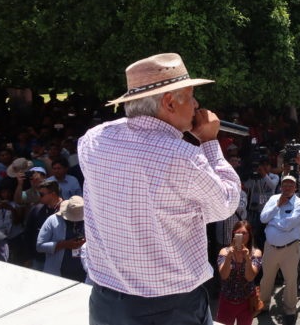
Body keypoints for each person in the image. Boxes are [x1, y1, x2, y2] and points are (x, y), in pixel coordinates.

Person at [79, 53, 241, 325]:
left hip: (105, 302)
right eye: (190, 96)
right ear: (169, 102)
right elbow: (225, 203)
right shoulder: (182, 156)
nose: (197, 104)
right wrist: (210, 142)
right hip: (170, 308)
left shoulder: (93, 140)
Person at [259, 174, 300, 325]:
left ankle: (290, 309)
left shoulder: (299, 204)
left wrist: (273, 223)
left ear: (295, 187)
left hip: (290, 249)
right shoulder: (273, 199)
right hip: (270, 247)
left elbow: (288, 225)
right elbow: (263, 218)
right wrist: (277, 205)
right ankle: (263, 304)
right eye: (285, 185)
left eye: (290, 185)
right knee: (266, 278)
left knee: (290, 280)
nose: (287, 187)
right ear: (280, 187)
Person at [216, 221, 263, 325]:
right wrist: (229, 256)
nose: (241, 236)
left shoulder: (256, 253)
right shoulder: (224, 251)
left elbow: (250, 277)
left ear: (250, 235)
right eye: (238, 233)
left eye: (244, 233)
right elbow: (224, 275)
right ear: (233, 234)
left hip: (246, 301)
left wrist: (247, 258)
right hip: (226, 301)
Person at [36, 195, 86, 281]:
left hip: (82, 274)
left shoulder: (87, 222)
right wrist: (64, 244)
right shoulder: (52, 220)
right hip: (57, 275)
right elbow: (40, 246)